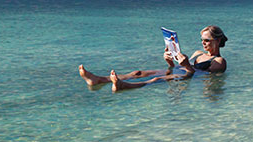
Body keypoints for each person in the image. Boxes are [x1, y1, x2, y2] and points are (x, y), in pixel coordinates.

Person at [79, 25, 228, 92]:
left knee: (156, 80)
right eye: (202, 39)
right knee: (138, 72)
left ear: (217, 41)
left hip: (189, 76)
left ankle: (124, 86)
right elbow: (177, 66)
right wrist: (169, 60)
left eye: (207, 40)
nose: (203, 43)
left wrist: (186, 65)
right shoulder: (197, 52)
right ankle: (98, 79)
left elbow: (199, 75)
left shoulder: (220, 62)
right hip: (179, 69)